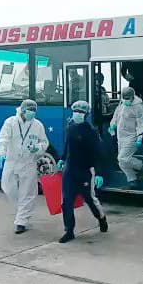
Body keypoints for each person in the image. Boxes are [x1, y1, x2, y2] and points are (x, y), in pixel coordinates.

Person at [57, 100, 108, 243]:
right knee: (66, 201)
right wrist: (62, 159)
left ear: (86, 115)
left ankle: (101, 218)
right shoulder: (70, 126)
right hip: (70, 170)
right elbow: (67, 145)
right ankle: (69, 230)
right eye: (76, 111)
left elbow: (99, 153)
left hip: (85, 170)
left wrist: (99, 173)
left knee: (90, 199)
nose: (77, 114)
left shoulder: (91, 131)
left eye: (81, 112)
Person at [0, 99, 49, 234]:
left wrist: (37, 148)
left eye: (34, 111)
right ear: (23, 110)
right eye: (30, 110)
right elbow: (3, 139)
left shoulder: (38, 125)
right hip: (11, 161)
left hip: (28, 162)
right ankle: (21, 211)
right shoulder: (11, 122)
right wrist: (1, 153)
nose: (32, 113)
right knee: (8, 188)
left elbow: (44, 142)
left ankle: (21, 221)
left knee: (28, 192)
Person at [108, 86, 143, 189]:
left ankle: (141, 165)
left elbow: (141, 123)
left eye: (128, 98)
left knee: (122, 158)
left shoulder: (139, 106)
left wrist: (140, 136)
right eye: (124, 97)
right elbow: (116, 116)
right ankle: (132, 180)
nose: (126, 100)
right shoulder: (122, 104)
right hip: (121, 137)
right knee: (121, 161)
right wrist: (112, 125)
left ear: (132, 96)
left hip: (132, 136)